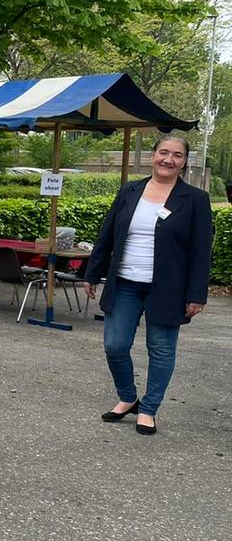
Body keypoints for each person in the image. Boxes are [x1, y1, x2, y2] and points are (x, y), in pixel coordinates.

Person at [86, 135, 211, 436]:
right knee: (115, 345)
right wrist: (93, 273)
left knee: (161, 349)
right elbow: (107, 234)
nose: (169, 159)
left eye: (177, 155)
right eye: (163, 152)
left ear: (184, 162)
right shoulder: (130, 191)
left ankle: (149, 409)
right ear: (153, 155)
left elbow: (201, 250)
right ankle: (128, 397)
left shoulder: (195, 199)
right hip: (126, 283)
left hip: (168, 289)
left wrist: (196, 294)